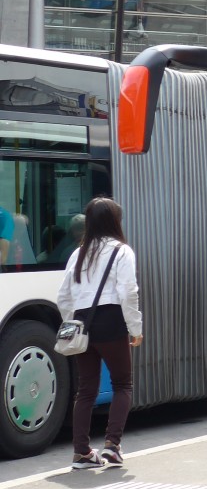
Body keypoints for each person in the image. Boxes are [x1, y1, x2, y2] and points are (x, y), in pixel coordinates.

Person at [56, 197, 143, 469]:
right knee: (122, 384)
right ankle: (112, 447)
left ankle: (82, 453)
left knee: (85, 390)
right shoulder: (122, 251)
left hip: (82, 324)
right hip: (111, 321)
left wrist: (73, 325)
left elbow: (63, 297)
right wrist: (135, 328)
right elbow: (128, 292)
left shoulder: (78, 252)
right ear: (115, 221)